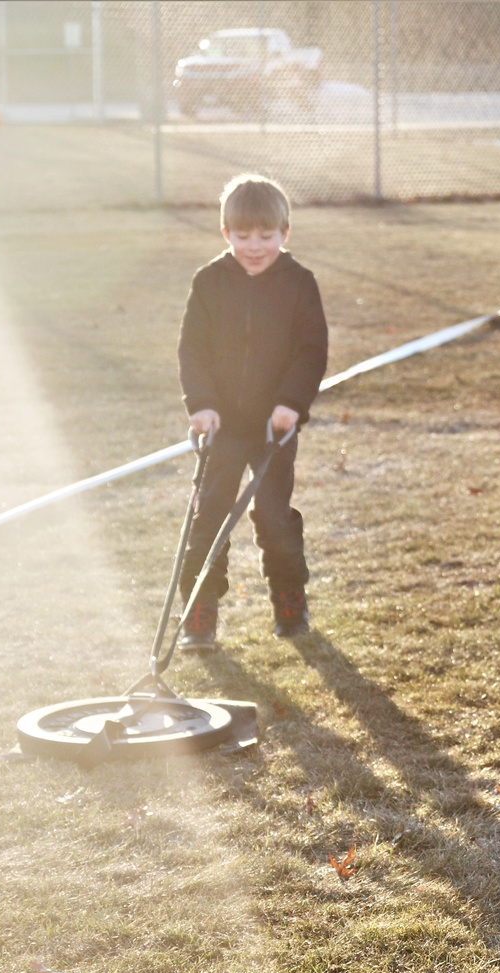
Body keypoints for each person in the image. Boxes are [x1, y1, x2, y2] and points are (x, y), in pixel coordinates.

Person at [176, 174, 328, 647]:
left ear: (285, 233)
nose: (255, 246)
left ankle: (289, 602)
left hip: (272, 427)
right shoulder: (209, 282)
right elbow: (192, 351)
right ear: (226, 234)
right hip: (221, 428)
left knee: (274, 517)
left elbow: (311, 351)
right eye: (243, 236)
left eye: (266, 236)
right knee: (210, 515)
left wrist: (290, 404)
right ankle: (199, 611)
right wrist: (201, 405)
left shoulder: (300, 284)